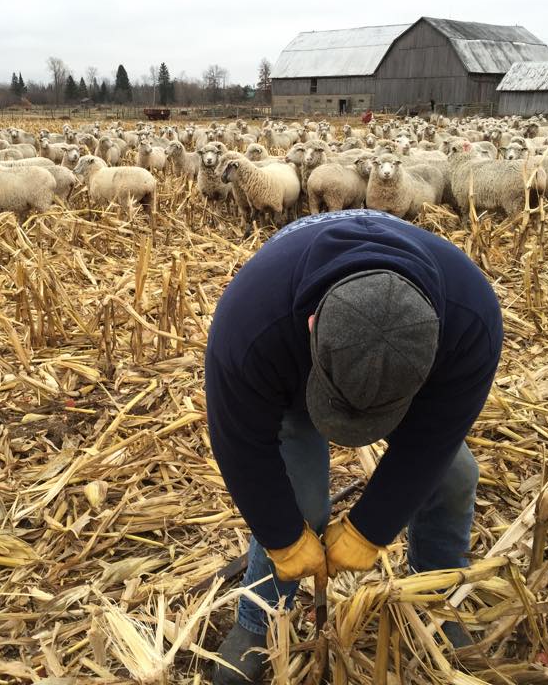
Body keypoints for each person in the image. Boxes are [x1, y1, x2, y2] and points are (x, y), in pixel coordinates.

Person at [206, 210, 503, 684]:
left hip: (396, 364)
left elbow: (433, 439)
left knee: (455, 478)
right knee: (301, 502)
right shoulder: (252, 321)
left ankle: (435, 602)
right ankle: (258, 622)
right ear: (310, 324)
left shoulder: (471, 321)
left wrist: (372, 528)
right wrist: (282, 535)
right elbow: (241, 443)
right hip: (292, 368)